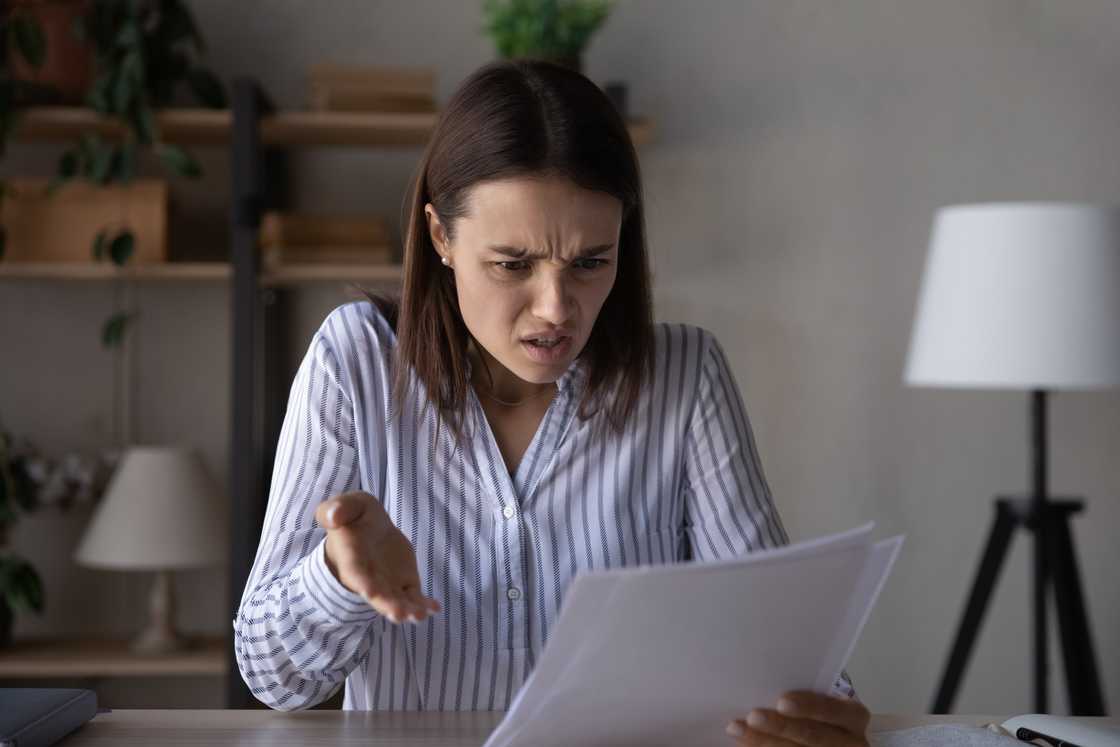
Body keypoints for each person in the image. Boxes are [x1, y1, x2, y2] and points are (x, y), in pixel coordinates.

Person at [233, 59, 870, 746]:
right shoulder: (353, 362)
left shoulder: (686, 376)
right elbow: (274, 680)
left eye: (591, 261)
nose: (556, 309)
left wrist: (817, 711)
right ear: (441, 236)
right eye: (512, 264)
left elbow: (775, 642)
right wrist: (337, 576)